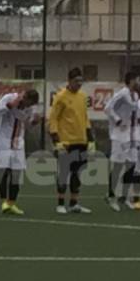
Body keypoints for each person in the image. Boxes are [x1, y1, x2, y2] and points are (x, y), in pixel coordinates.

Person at [49, 67, 93, 214]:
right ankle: (60, 203)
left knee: (77, 172)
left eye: (81, 81)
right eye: (76, 81)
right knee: (64, 172)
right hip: (66, 141)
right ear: (69, 81)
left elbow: (85, 118)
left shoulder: (82, 96)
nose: (79, 84)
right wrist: (56, 140)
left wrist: (90, 138)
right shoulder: (60, 96)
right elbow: (53, 119)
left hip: (81, 141)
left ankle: (74, 203)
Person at [0, 88, 40, 216]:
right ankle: (4, 202)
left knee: (16, 175)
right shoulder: (9, 97)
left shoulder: (29, 108)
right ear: (23, 97)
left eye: (30, 105)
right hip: (4, 141)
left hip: (18, 143)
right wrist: (10, 105)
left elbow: (27, 124)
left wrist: (34, 122)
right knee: (3, 172)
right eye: (27, 103)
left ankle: (12, 203)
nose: (27, 106)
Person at [105, 70, 140, 211]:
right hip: (119, 136)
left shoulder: (136, 95)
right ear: (132, 80)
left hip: (131, 135)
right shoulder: (122, 94)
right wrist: (118, 120)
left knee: (131, 165)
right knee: (118, 166)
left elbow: (133, 113)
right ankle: (110, 196)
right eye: (138, 80)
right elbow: (107, 108)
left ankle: (124, 197)